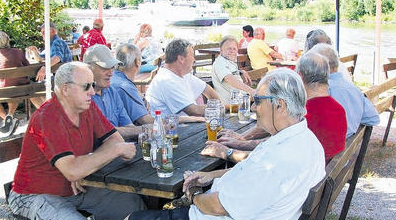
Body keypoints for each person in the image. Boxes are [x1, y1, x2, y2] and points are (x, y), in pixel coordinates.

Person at [126, 69, 325, 220]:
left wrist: (194, 195)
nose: (254, 107)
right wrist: (210, 176)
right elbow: (252, 168)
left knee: (132, 217)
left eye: (258, 100)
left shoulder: (278, 161)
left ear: (279, 105)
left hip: (211, 214)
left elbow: (218, 206)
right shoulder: (304, 140)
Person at [8, 62, 145, 220]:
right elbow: (74, 170)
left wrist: (85, 168)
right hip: (33, 195)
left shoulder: (87, 107)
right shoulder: (47, 117)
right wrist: (112, 152)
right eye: (86, 86)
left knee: (134, 207)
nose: (93, 92)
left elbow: (115, 139)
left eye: (93, 85)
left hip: (76, 187)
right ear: (65, 89)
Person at [202, 52, 347, 164]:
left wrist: (234, 147)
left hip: (296, 186)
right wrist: (242, 140)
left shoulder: (303, 113)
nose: (254, 107)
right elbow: (277, 143)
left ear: (299, 76)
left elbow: (271, 152)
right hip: (316, 179)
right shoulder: (339, 110)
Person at [310, 44, 379, 137]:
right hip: (346, 144)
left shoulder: (323, 90)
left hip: (332, 146)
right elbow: (373, 118)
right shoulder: (353, 88)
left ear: (319, 66)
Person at [145, 38, 220, 117]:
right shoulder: (166, 80)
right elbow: (194, 111)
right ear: (181, 59)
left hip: (188, 125)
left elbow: (207, 90)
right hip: (173, 128)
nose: (194, 60)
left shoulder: (183, 75)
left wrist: (218, 106)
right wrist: (222, 108)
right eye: (192, 55)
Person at [83, 44, 141, 140]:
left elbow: (129, 126)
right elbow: (104, 133)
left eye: (112, 67)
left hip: (121, 150)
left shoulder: (112, 91)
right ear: (89, 69)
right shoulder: (82, 97)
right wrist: (149, 129)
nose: (111, 73)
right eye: (105, 68)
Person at [0, 31, 30, 135]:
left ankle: (7, 118)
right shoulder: (18, 52)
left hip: (4, 88)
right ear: (8, 40)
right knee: (13, 86)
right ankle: (9, 116)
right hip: (22, 87)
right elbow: (27, 64)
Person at [25, 22, 72, 108]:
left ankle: (47, 113)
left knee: (31, 90)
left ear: (53, 31)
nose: (42, 33)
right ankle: (49, 112)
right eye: (41, 31)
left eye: (44, 31)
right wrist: (35, 52)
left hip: (65, 78)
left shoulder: (57, 42)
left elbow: (57, 58)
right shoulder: (50, 43)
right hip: (59, 77)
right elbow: (41, 59)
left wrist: (45, 68)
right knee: (35, 90)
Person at [212, 36, 255, 105]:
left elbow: (232, 74)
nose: (232, 51)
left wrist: (241, 72)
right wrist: (251, 90)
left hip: (241, 101)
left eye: (234, 49)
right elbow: (229, 79)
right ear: (221, 50)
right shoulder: (220, 62)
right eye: (229, 49)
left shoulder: (229, 62)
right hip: (231, 106)